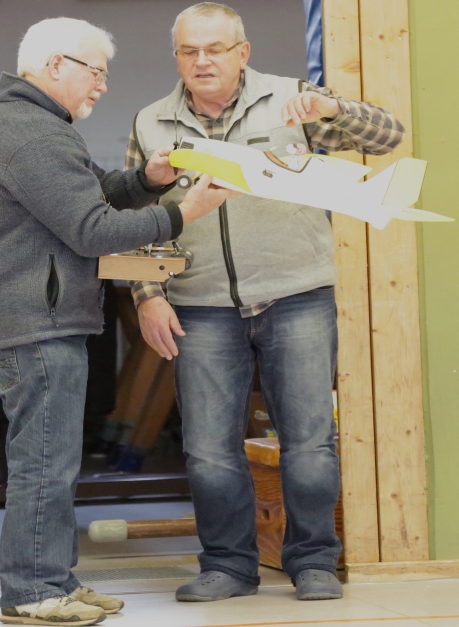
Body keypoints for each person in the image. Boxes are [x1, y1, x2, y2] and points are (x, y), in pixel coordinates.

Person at [0, 17, 236, 626]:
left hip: (37, 316)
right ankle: (32, 592)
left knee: (52, 460)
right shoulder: (31, 133)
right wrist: (183, 210)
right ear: (56, 64)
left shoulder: (32, 122)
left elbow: (86, 197)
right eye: (97, 72)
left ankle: (54, 579)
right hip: (35, 321)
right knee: (45, 462)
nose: (103, 86)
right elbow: (91, 230)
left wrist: (144, 181)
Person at [125, 2, 405, 603]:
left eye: (215, 49)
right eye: (189, 51)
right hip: (199, 305)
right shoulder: (151, 122)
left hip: (296, 295)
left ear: (242, 52)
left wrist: (334, 108)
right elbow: (137, 218)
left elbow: (389, 137)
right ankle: (228, 566)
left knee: (309, 442)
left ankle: (314, 561)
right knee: (207, 450)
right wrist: (148, 296)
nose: (202, 61)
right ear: (176, 56)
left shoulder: (291, 100)